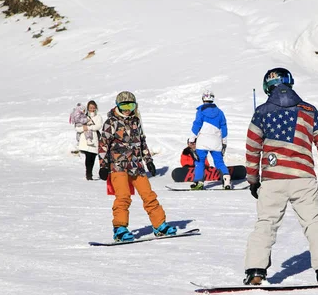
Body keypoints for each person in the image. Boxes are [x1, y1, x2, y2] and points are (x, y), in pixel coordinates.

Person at [243, 67, 318, 285]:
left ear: (267, 86)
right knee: (314, 223)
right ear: (290, 82)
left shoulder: (261, 112)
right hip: (303, 177)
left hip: (272, 179)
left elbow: (252, 149)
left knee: (266, 223)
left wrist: (253, 180)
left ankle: (255, 271)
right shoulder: (309, 110)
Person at [98, 91, 178, 242]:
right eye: (124, 105)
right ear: (118, 106)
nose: (127, 109)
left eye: (131, 105)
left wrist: (148, 160)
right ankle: (119, 229)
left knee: (149, 195)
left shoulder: (136, 121)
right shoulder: (111, 123)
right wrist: (103, 166)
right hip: (118, 166)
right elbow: (103, 145)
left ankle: (159, 225)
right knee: (123, 197)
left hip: (137, 166)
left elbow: (142, 142)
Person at [188, 90, 231, 190]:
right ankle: (226, 179)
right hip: (216, 140)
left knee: (200, 161)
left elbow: (197, 125)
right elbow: (224, 128)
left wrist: (192, 139)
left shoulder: (200, 111)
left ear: (203, 98)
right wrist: (224, 142)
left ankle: (199, 182)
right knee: (219, 161)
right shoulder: (220, 112)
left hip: (203, 141)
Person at [71, 101, 103, 180]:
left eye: (93, 107)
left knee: (93, 157)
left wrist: (89, 127)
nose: (92, 109)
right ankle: (89, 175)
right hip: (85, 139)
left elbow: (98, 126)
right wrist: (83, 128)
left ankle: (90, 173)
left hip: (94, 139)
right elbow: (77, 128)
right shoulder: (83, 116)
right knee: (88, 157)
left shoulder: (98, 117)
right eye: (90, 107)